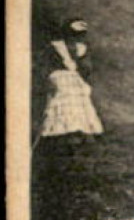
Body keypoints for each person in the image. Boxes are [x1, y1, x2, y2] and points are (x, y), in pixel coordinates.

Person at [36, 13, 103, 144]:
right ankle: (60, 131)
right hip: (58, 75)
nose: (74, 38)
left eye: (78, 35)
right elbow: (45, 64)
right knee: (64, 94)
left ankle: (77, 128)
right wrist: (49, 77)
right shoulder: (55, 46)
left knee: (81, 93)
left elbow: (86, 68)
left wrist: (84, 75)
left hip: (74, 77)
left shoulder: (81, 48)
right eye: (72, 34)